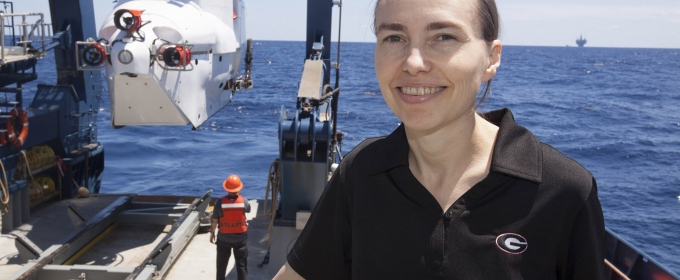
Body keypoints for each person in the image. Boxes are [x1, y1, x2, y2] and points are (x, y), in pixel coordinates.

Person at [274, 0, 607, 279]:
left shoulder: (563, 191)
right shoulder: (362, 172)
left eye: (443, 36)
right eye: (393, 38)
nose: (413, 63)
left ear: (491, 58)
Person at [211, 174, 251, 280]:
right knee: (241, 266)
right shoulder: (244, 201)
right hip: (241, 239)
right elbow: (248, 209)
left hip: (224, 239)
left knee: (221, 266)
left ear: (226, 188)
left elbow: (214, 220)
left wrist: (212, 233)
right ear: (239, 188)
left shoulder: (219, 203)